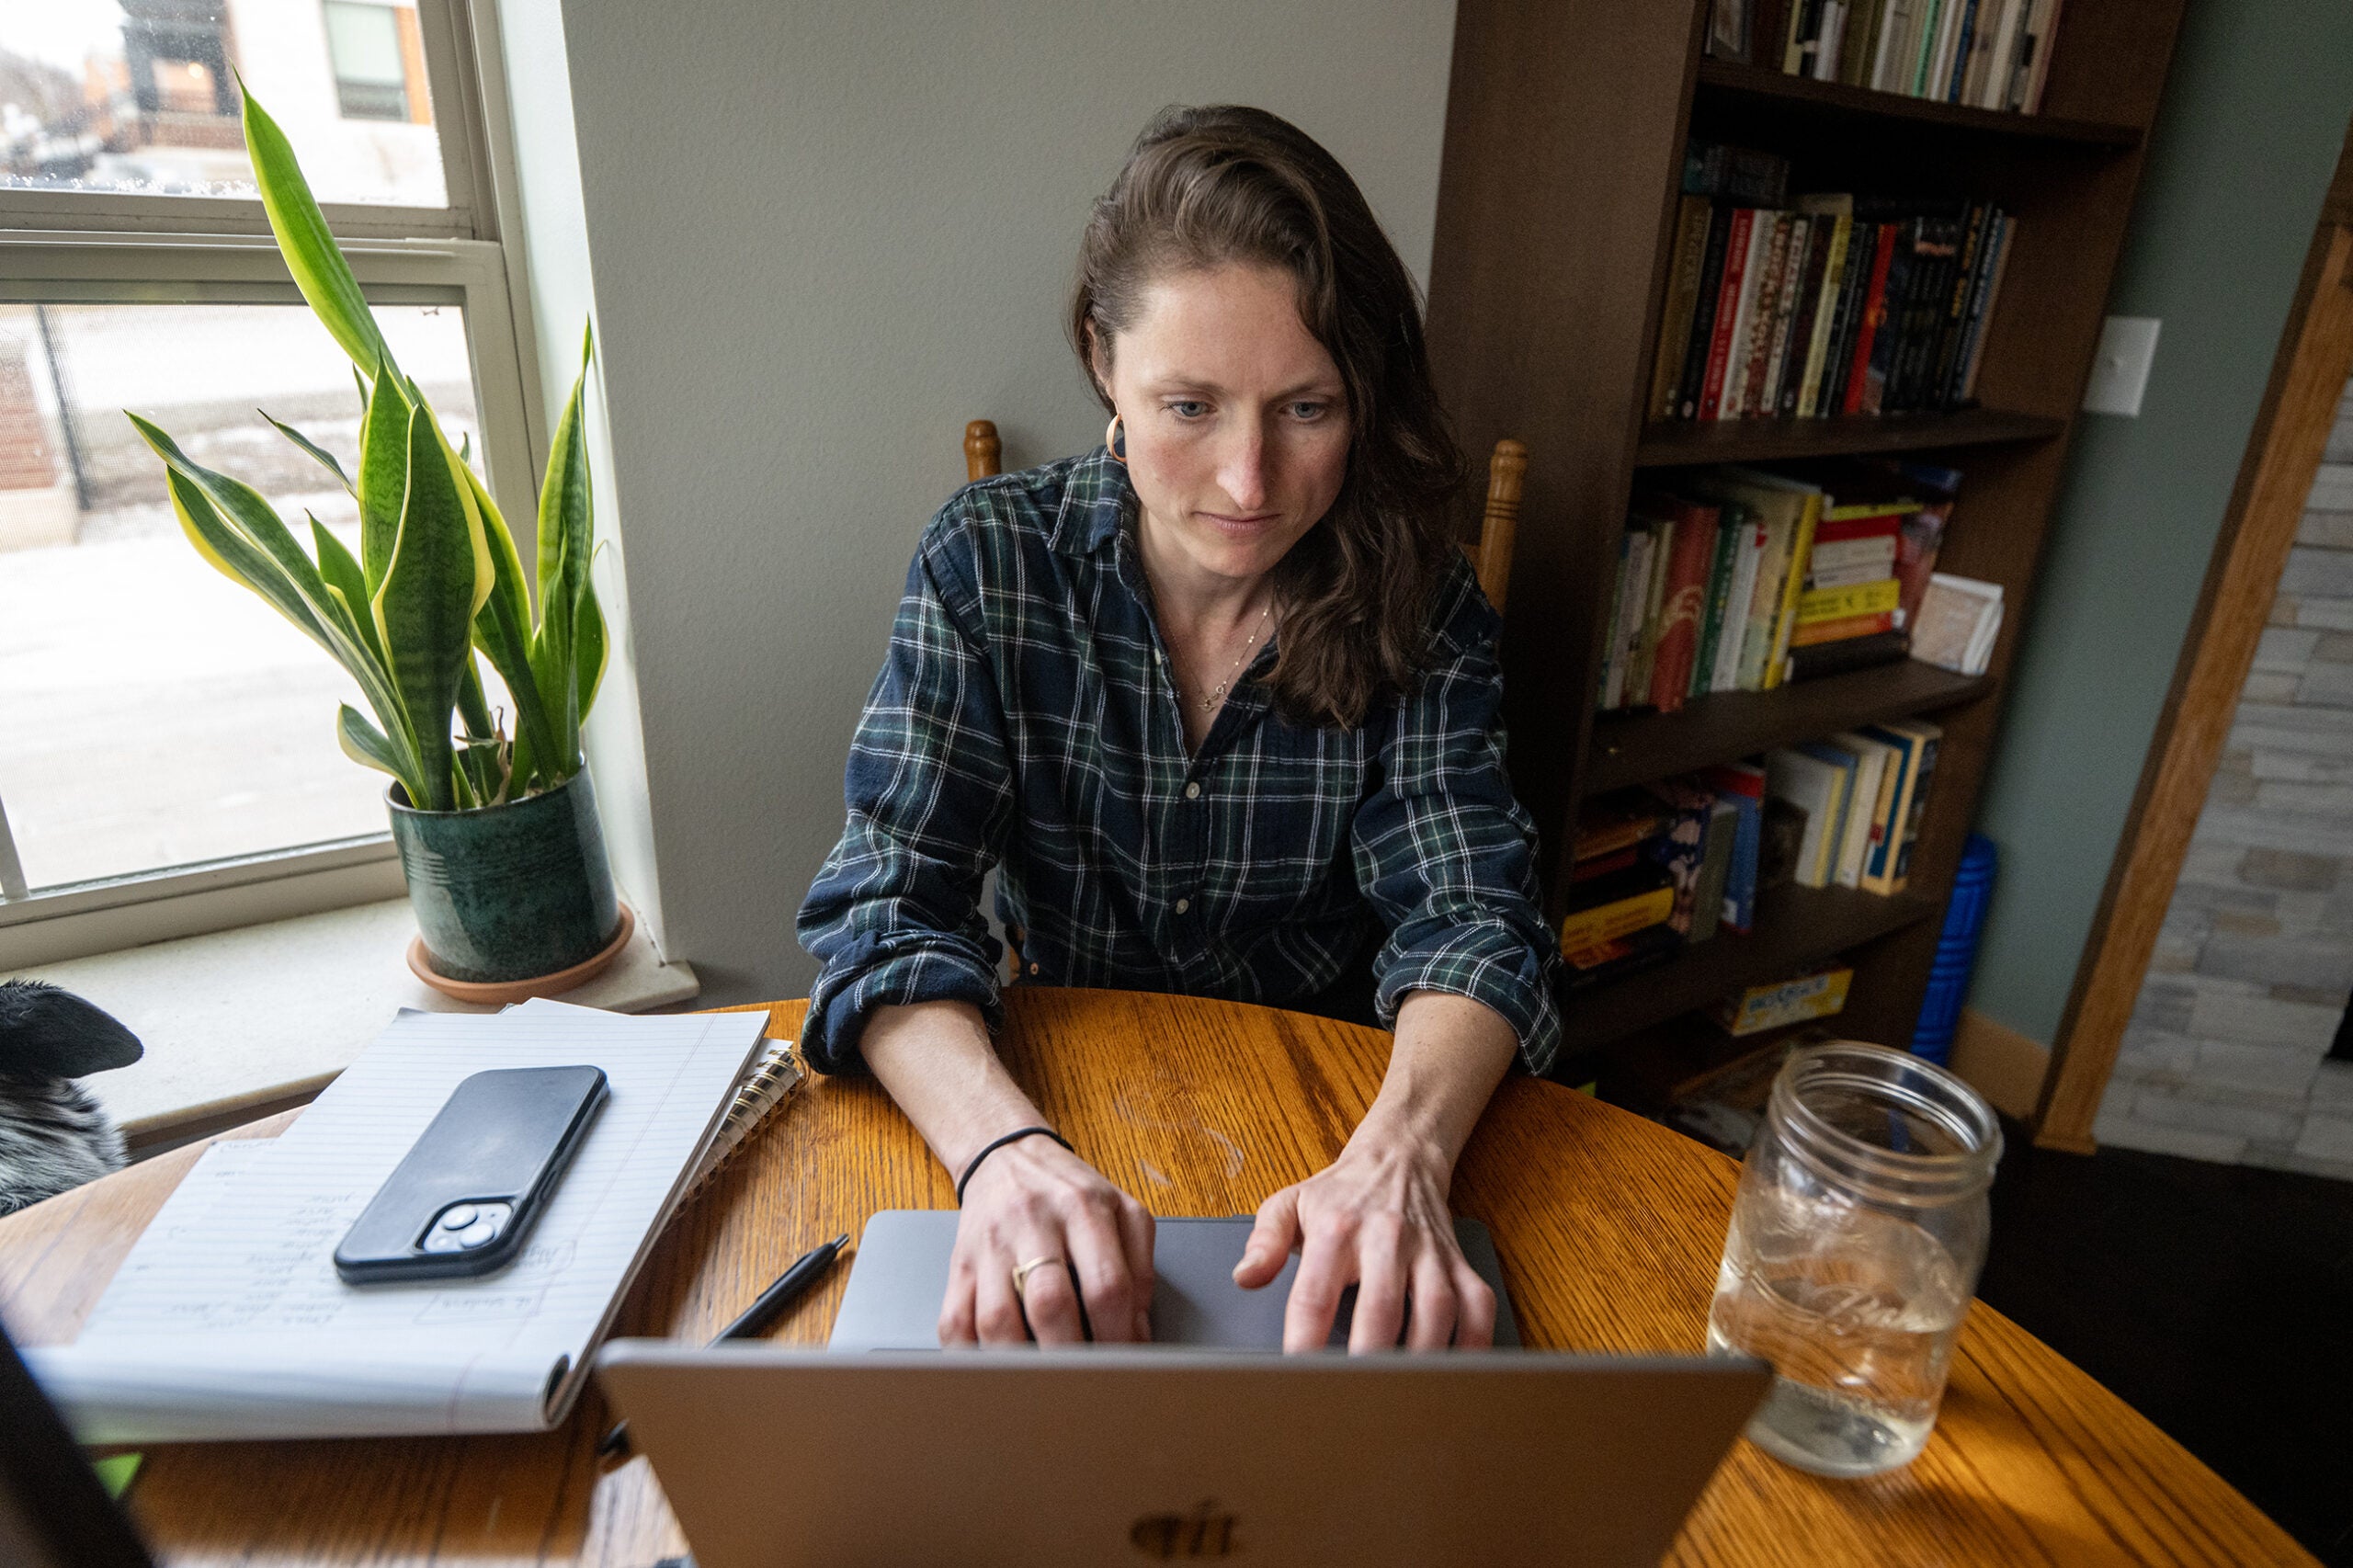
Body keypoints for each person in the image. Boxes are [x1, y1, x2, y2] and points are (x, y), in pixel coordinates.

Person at [798, 104, 1562, 1354]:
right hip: (1047, 1110)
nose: (1250, 484)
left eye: (1307, 408)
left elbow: (1475, 918)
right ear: (1104, 360)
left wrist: (1402, 1159)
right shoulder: (989, 566)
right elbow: (887, 907)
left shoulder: (1426, 603)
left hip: (1340, 1157)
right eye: (1192, 406)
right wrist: (1000, 1149)